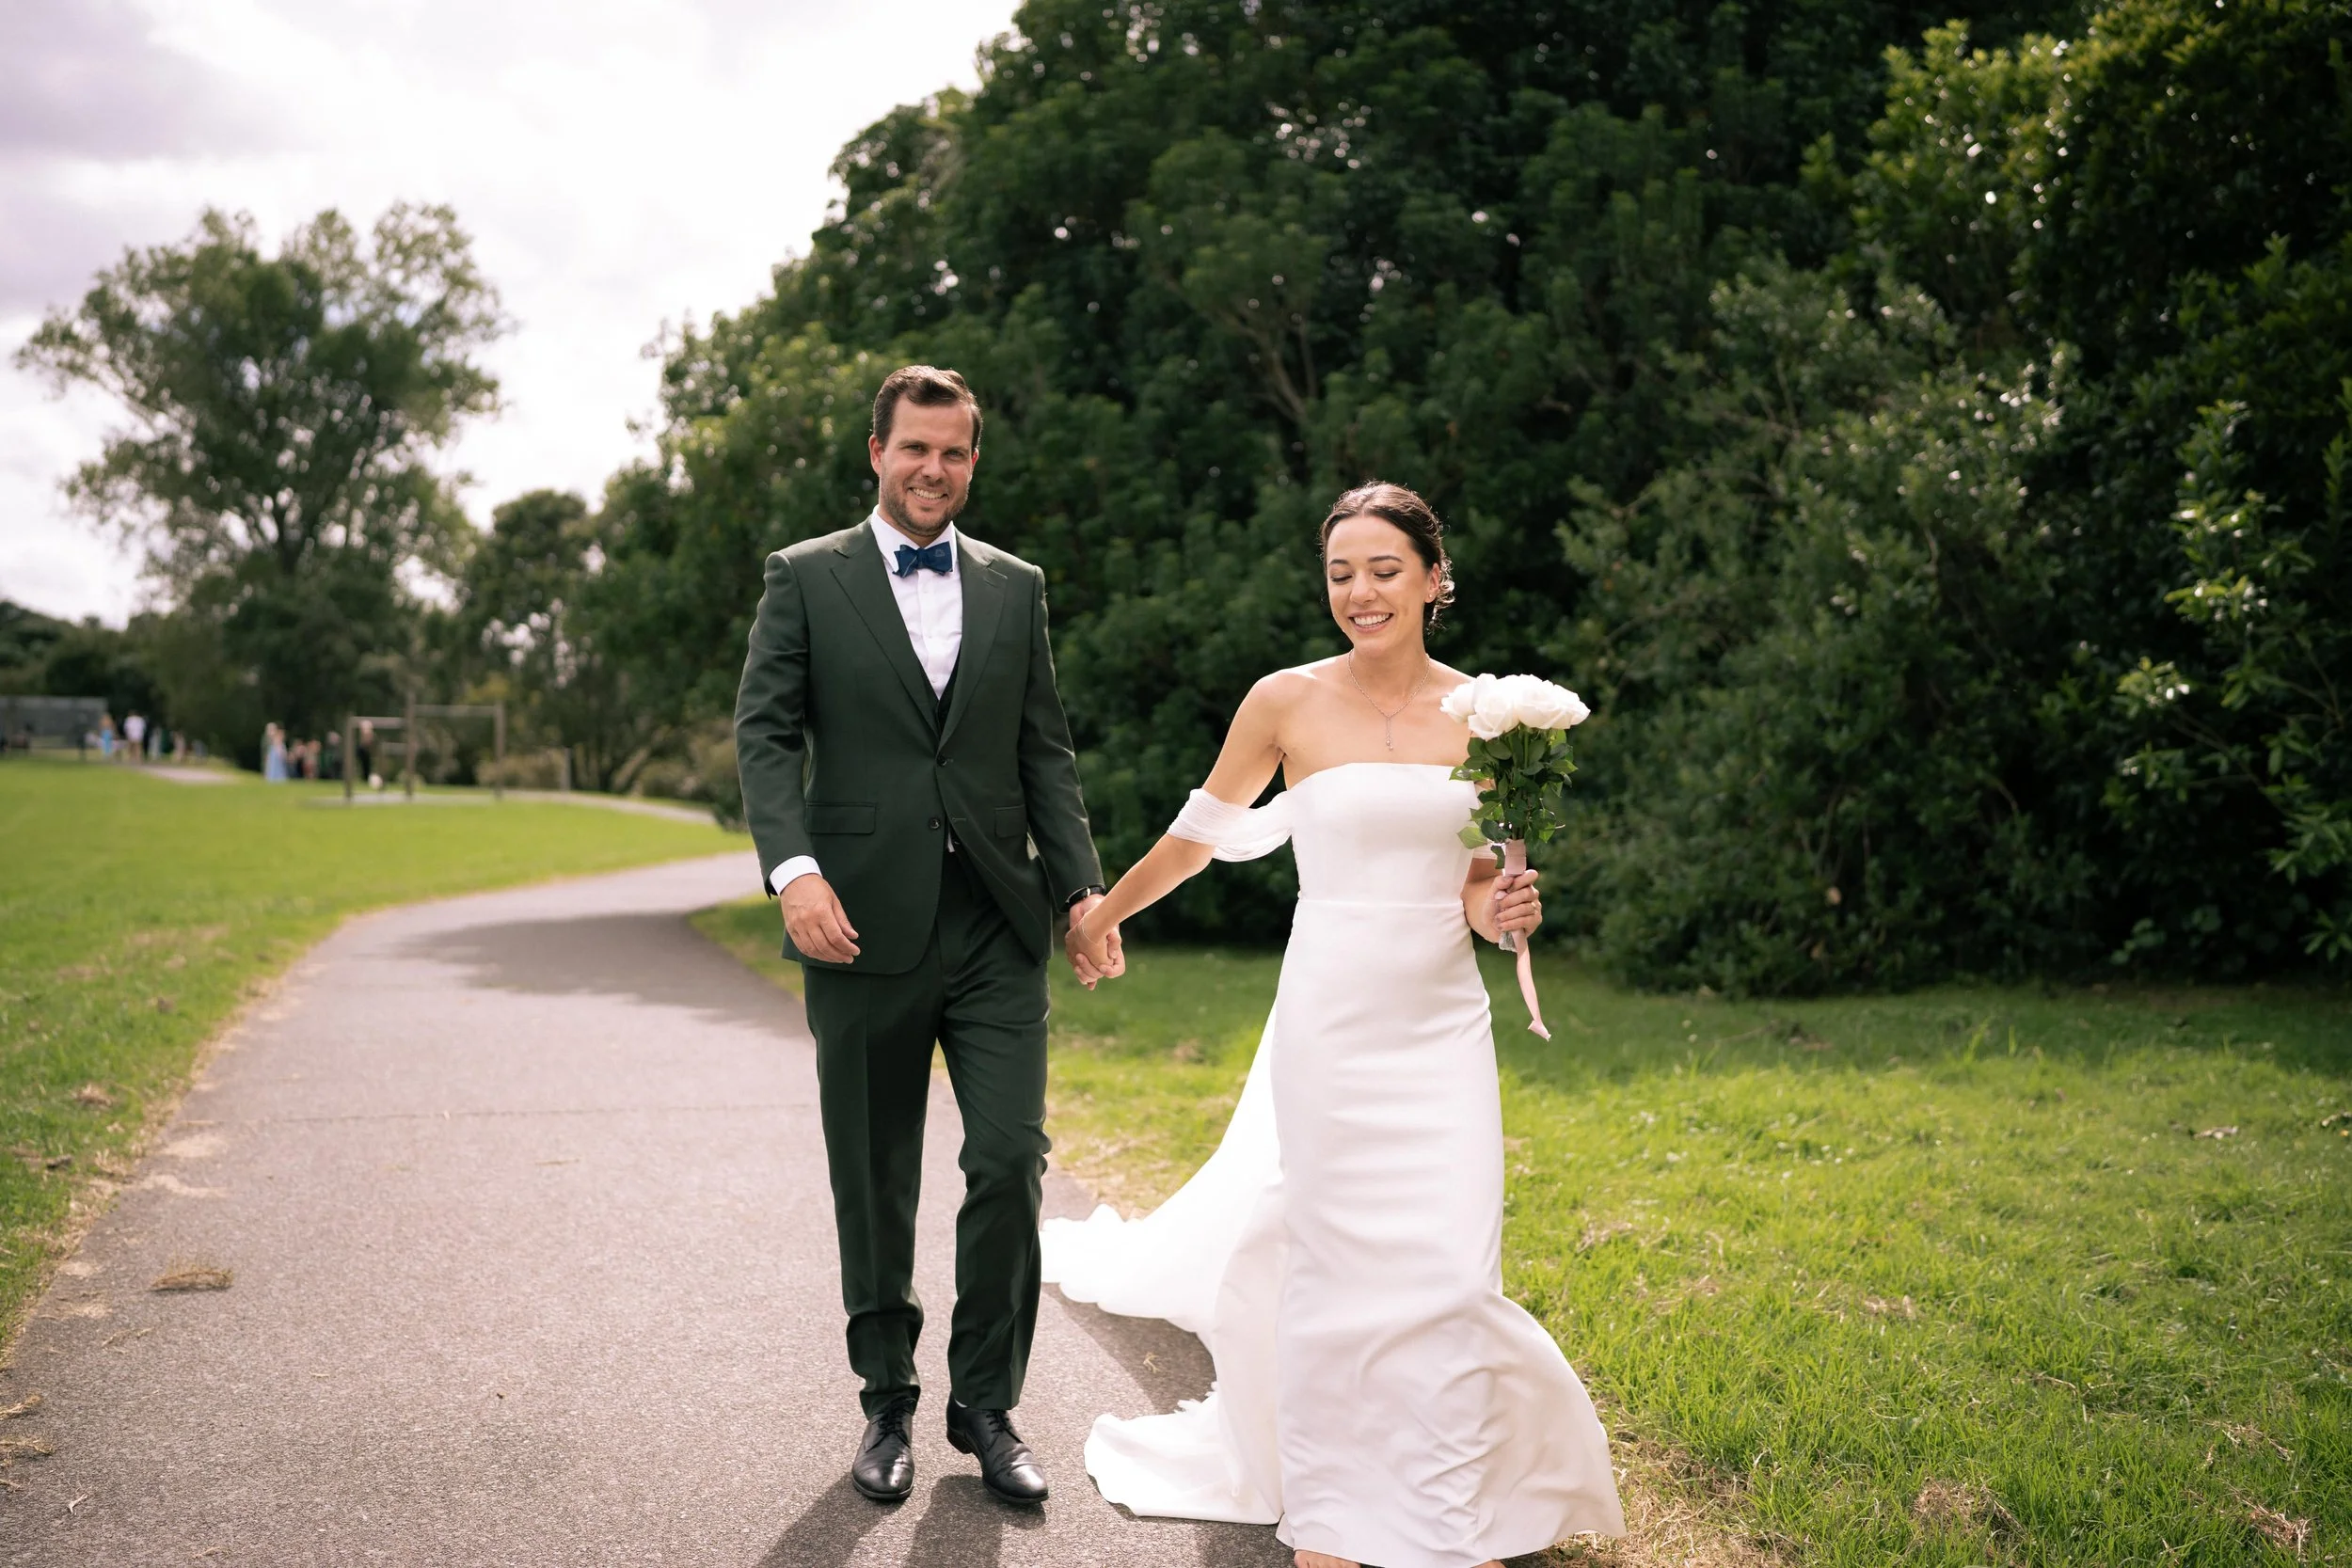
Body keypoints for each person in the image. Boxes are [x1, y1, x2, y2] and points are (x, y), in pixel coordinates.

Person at [1056, 482, 1626, 1568]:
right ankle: (1333, 1513)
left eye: (1383, 570)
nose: (1359, 592)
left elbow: (1471, 878)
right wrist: (1104, 913)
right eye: (1340, 573)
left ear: (1431, 578)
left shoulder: (1489, 714)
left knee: (1451, 1270)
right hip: (1330, 1015)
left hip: (1441, 1018)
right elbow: (1197, 837)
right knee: (1334, 1263)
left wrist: (1503, 908)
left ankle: (1448, 1505)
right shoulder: (1284, 701)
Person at [733, 364, 1120, 1510]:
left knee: (1008, 1157)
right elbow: (764, 738)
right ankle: (886, 1401)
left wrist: (1081, 894)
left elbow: (1041, 750)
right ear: (876, 451)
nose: (933, 470)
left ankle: (986, 1402)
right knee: (874, 1170)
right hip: (854, 920)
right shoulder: (805, 578)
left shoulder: (1014, 586)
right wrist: (792, 870)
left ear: (973, 460)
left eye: (953, 453)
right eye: (915, 449)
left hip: (998, 918)